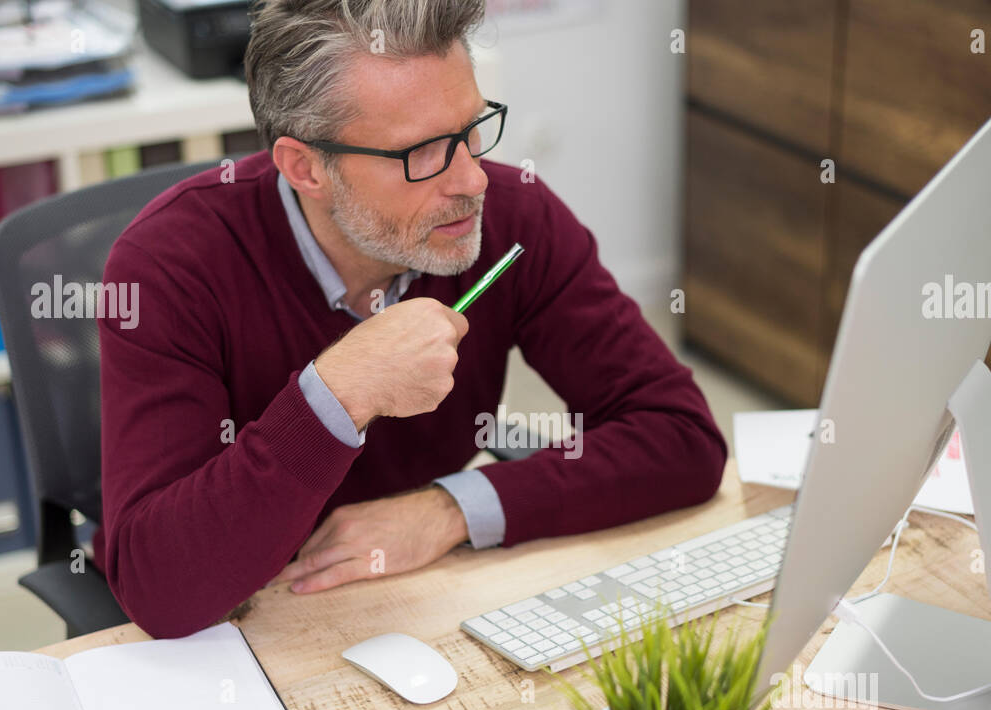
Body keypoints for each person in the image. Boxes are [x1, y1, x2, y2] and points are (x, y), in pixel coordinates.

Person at [96, 0, 726, 637]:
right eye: (423, 152)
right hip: (254, 622)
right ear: (305, 168)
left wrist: (450, 509)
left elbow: (683, 436)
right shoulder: (169, 266)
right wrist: (336, 396)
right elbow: (159, 588)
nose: (473, 180)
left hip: (425, 597)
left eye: (471, 129)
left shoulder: (515, 218)